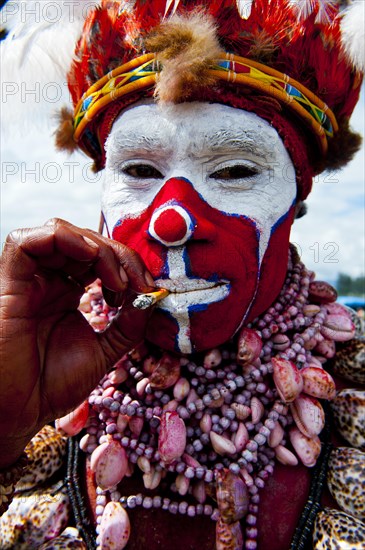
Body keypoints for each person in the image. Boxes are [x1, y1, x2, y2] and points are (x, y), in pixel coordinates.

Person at [0, 1, 364, 549]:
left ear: (295, 200)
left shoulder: (350, 389)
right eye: (140, 170)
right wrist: (7, 425)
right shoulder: (32, 361)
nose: (173, 221)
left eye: (235, 170)